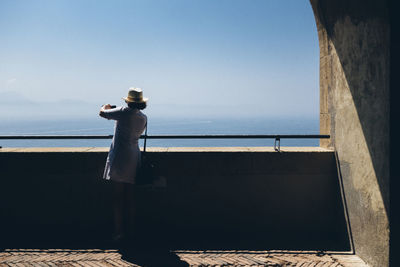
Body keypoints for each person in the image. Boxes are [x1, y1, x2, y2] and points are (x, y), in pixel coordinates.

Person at [99, 87, 148, 243]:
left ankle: (119, 232)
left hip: (121, 158)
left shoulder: (123, 112)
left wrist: (105, 106)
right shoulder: (143, 117)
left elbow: (102, 113)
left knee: (118, 198)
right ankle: (132, 231)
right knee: (130, 198)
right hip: (134, 156)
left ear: (128, 100)